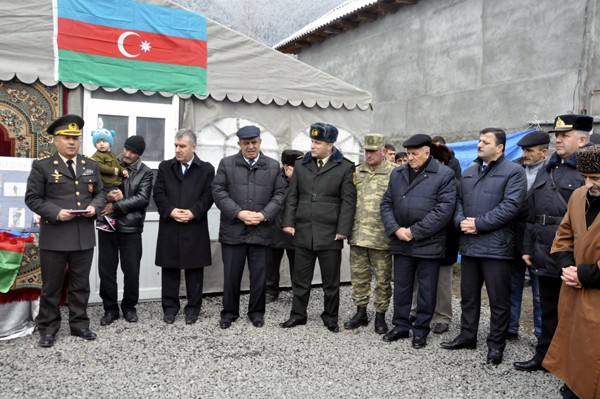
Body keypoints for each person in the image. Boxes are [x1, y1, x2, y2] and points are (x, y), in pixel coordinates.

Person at [441, 127, 526, 365]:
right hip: (469, 246)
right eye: (479, 141)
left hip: (497, 248)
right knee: (468, 297)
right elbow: (458, 202)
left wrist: (479, 224)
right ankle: (467, 336)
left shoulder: (514, 172)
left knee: (499, 301)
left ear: (500, 148)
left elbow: (511, 207)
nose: (479, 145)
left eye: (485, 142)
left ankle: (496, 345)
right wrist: (460, 222)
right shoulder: (469, 172)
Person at [514, 114, 592, 372]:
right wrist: (527, 246)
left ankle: (573, 363)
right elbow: (532, 212)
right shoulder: (548, 167)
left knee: (575, 313)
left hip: (573, 257)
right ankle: (545, 356)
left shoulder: (588, 171)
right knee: (548, 309)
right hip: (544, 250)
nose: (558, 139)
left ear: (582, 140)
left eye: (565, 135)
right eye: (556, 135)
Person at [24, 114, 106, 347]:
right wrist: (56, 212)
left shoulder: (90, 165)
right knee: (52, 285)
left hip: (82, 236)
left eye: (75, 138)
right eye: (67, 138)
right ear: (55, 140)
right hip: (56, 235)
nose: (72, 142)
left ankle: (80, 325)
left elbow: (100, 193)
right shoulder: (43, 166)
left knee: (81, 284)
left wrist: (94, 207)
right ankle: (48, 328)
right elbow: (32, 198)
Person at [380, 134, 456, 348]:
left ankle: (421, 329)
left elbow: (443, 211)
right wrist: (395, 229)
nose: (410, 158)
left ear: (427, 152)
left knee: (427, 289)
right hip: (401, 241)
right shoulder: (397, 174)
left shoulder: (444, 175)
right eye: (409, 154)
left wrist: (414, 231)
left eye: (415, 154)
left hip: (428, 242)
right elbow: (386, 204)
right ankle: (401, 325)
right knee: (402, 287)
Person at [280, 122, 356, 333]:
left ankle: (330, 316)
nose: (312, 145)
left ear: (329, 145)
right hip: (303, 231)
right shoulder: (301, 164)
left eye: (317, 142)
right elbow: (292, 195)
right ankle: (298, 314)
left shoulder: (345, 167)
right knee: (300, 279)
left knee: (331, 282)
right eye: (312, 141)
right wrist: (288, 221)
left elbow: (348, 201)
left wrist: (344, 229)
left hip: (330, 233)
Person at [212, 125, 285, 329]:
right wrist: (238, 213)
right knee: (231, 276)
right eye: (246, 143)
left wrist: (264, 215)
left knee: (260, 277)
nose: (251, 147)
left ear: (260, 142)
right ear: (239, 144)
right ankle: (229, 313)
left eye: (254, 142)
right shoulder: (226, 164)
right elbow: (218, 192)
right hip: (233, 231)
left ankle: (257, 313)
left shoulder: (272, 166)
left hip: (261, 231)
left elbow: (280, 194)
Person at [543, 145, 600, 399]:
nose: (589, 184)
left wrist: (585, 275)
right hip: (574, 289)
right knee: (575, 346)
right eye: (585, 177)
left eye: (596, 179)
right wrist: (566, 266)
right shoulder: (578, 195)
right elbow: (563, 235)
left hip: (595, 291)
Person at [154, 128, 215, 325]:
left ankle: (193, 310)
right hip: (170, 226)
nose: (178, 150)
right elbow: (158, 193)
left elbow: (209, 195)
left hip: (194, 226)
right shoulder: (165, 167)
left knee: (194, 270)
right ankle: (170, 309)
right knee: (170, 269)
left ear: (193, 147)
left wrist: (193, 212)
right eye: (176, 146)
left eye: (182, 146)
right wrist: (171, 211)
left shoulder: (206, 169)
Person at [97, 136, 154, 326]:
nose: (128, 154)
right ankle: (110, 309)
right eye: (127, 149)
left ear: (140, 154)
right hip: (107, 225)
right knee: (106, 269)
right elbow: (95, 188)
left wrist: (116, 206)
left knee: (131, 270)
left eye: (133, 152)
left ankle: (129, 307)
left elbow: (143, 198)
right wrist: (107, 198)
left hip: (131, 227)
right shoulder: (111, 161)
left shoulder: (145, 172)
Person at [343, 133, 395, 334]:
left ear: (383, 151)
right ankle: (361, 312)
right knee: (359, 277)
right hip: (358, 235)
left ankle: (380, 315)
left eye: (373, 151)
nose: (369, 155)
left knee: (383, 280)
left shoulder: (395, 173)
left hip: (382, 237)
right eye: (367, 151)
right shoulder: (357, 172)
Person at [409, 142, 462, 335]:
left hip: (445, 240)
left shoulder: (454, 183)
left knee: (442, 281)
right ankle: (416, 310)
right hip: (421, 237)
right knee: (417, 278)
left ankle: (442, 316)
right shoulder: (419, 179)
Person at [507, 131, 549, 340]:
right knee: (512, 286)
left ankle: (541, 334)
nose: (525, 154)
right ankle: (510, 328)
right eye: (523, 150)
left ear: (544, 152)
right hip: (514, 237)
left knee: (540, 293)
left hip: (538, 241)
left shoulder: (552, 172)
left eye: (529, 151)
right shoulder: (514, 168)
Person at [265, 149, 304, 304]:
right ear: (287, 167)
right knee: (271, 263)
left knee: (298, 264)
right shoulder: (273, 178)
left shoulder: (303, 178)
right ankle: (270, 290)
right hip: (274, 228)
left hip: (295, 228)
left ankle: (298, 292)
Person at [90, 128, 128, 232]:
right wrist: (111, 171)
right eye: (98, 142)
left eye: (104, 141)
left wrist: (123, 171)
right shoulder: (97, 155)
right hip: (105, 183)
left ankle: (110, 219)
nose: (101, 144)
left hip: (114, 183)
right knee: (103, 201)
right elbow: (98, 166)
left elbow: (117, 165)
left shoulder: (112, 155)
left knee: (116, 200)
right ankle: (100, 222)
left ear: (110, 143)